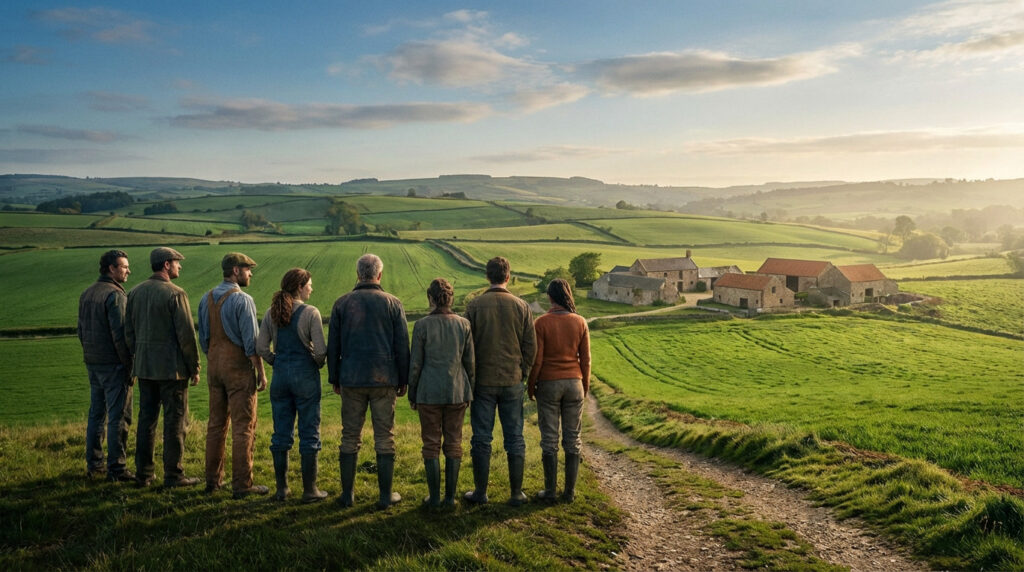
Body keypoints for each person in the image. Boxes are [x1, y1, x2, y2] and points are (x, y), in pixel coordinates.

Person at [327, 253, 410, 509]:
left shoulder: (341, 304)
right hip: (384, 378)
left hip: (351, 377)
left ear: (358, 274)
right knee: (384, 436)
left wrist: (334, 377)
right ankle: (385, 497)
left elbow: (333, 347)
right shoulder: (393, 303)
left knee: (350, 435)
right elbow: (402, 346)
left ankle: (347, 495)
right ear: (379, 275)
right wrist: (403, 379)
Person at [126, 247, 202, 488]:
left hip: (145, 368)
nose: (180, 266)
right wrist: (195, 367)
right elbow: (187, 336)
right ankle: (174, 475)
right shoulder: (176, 294)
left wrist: (135, 361)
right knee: (175, 422)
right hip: (172, 370)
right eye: (177, 263)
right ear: (166, 265)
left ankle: (143, 474)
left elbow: (128, 333)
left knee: (146, 421)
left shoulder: (134, 292)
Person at [463, 256, 536, 506]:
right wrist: (523, 371)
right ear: (508, 276)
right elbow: (530, 346)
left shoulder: (474, 306)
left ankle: (480, 493)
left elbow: (466, 347)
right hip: (512, 379)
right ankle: (516, 493)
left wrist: (470, 376)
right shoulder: (522, 306)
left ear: (487, 276)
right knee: (514, 436)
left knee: (481, 437)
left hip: (482, 381)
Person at [198, 252, 269, 499]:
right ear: (236, 271)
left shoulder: (205, 299)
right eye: (248, 269)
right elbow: (251, 343)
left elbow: (204, 341)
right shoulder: (243, 300)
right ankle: (242, 485)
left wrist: (215, 359)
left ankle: (212, 481)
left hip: (214, 367)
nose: (251, 273)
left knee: (216, 425)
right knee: (243, 426)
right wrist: (261, 372)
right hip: (238, 369)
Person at [257, 268, 329, 503]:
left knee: (281, 434)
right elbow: (320, 352)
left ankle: (282, 489)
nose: (312, 288)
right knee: (309, 433)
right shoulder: (311, 313)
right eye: (309, 284)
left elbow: (260, 348)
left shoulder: (271, 312)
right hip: (305, 377)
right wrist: (316, 363)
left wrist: (275, 361)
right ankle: (310, 490)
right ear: (299, 286)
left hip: (280, 378)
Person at [408, 278, 475, 507]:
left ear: (430, 298)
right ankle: (449, 498)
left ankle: (434, 498)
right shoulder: (463, 324)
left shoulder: (421, 325)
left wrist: (412, 393)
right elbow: (470, 363)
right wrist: (470, 391)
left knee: (431, 443)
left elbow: (415, 364)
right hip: (457, 390)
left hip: (428, 392)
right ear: (451, 298)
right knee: (454, 442)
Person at [528, 279, 591, 503]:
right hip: (574, 382)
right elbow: (586, 360)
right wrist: (585, 386)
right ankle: (569, 493)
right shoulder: (580, 322)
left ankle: (550, 491)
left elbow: (537, 360)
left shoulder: (541, 323)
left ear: (550, 297)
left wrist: (531, 385)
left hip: (549, 383)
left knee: (550, 438)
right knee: (573, 438)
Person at [78, 249, 134, 482]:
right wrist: (129, 366)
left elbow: (80, 330)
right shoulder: (115, 296)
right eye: (123, 267)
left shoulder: (87, 293)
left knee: (96, 415)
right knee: (118, 418)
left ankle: (94, 464)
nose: (128, 270)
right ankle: (117, 469)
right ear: (111, 268)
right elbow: (120, 335)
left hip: (93, 362)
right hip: (114, 364)